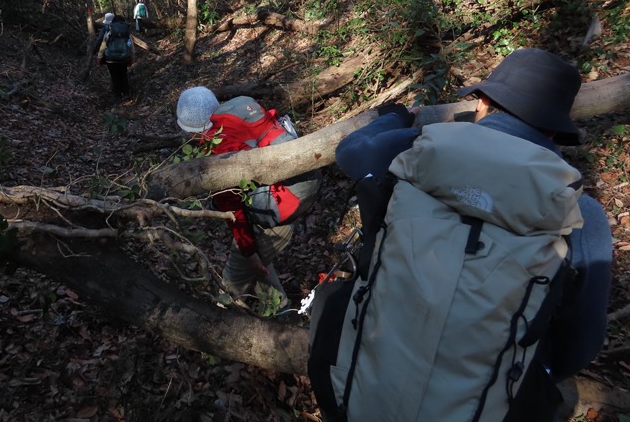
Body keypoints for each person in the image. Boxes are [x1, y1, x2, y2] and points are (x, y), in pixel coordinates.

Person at [334, 48, 612, 418]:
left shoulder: (417, 150)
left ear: (482, 102)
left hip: (367, 392)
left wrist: (394, 118)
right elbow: (580, 343)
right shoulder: (581, 214)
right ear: (554, 129)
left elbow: (350, 152)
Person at [176, 86, 310, 313]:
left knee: (233, 279)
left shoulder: (216, 152)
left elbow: (233, 210)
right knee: (256, 267)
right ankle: (283, 313)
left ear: (193, 130)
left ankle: (216, 328)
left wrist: (249, 252)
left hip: (279, 205)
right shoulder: (241, 108)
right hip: (299, 183)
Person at [94, 12, 134, 99]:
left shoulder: (109, 30)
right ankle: (126, 94)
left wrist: (100, 57)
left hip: (111, 58)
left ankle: (118, 96)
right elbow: (130, 45)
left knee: (114, 76)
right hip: (124, 58)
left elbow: (103, 45)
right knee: (123, 75)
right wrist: (131, 57)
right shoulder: (126, 32)